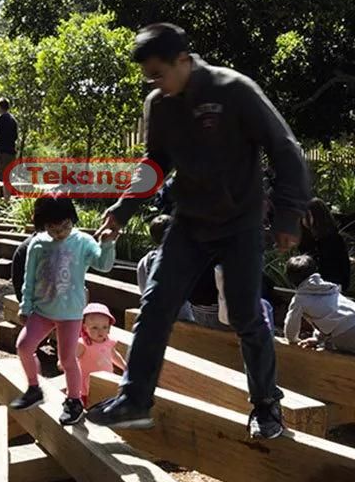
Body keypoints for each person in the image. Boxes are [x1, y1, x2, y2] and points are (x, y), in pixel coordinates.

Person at [89, 23, 311, 440]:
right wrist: (122, 210)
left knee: (246, 314)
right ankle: (135, 399)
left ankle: (266, 406)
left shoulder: (233, 89)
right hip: (189, 223)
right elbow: (155, 163)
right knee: (156, 305)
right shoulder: (160, 104)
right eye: (148, 77)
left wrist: (288, 215)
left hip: (239, 223)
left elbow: (285, 148)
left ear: (183, 60)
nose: (155, 84)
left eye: (159, 73)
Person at [11, 192, 118, 426]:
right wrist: (25, 306)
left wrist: (108, 243)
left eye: (65, 226)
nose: (60, 233)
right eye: (53, 228)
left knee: (68, 359)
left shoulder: (82, 242)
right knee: (23, 347)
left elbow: (104, 265)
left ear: (72, 220)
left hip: (70, 313)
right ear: (42, 225)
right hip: (42, 310)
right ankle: (33, 388)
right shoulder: (38, 244)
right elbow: (29, 278)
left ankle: (74, 401)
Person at [284, 254, 355, 357]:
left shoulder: (299, 299)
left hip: (346, 331)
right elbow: (331, 314)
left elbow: (292, 324)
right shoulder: (327, 287)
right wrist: (318, 339)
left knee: (345, 365)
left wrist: (292, 339)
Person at [136, 215, 195, 322]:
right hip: (183, 317)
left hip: (154, 314)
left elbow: (143, 289)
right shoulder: (183, 260)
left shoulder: (144, 262)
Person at [76, 303, 126, 404]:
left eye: (105, 327)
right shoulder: (83, 344)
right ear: (85, 328)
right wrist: (64, 363)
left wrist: (125, 367)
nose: (100, 331)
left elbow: (114, 355)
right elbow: (72, 358)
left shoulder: (108, 342)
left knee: (106, 398)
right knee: (88, 403)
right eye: (95, 328)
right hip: (87, 385)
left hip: (106, 380)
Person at [299, 198, 351, 293]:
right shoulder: (306, 239)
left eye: (307, 216)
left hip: (331, 286)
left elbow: (342, 269)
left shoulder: (334, 240)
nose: (304, 219)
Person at [0, 98, 18, 186]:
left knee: (2, 176)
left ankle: (3, 196)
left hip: (2, 151)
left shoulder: (0, 118)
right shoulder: (13, 120)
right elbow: (15, 136)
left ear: (0, 107)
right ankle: (10, 195)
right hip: (11, 150)